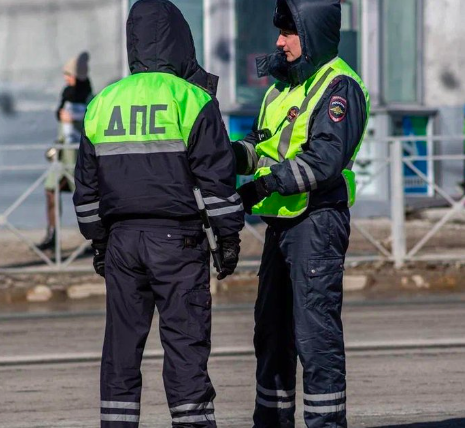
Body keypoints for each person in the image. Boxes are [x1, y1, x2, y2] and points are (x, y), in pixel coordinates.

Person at [73, 0, 244, 426]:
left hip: (121, 244)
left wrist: (98, 241)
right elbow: (216, 178)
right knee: (185, 345)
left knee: (121, 350)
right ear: (180, 40)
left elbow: (86, 187)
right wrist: (228, 238)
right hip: (177, 242)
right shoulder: (192, 99)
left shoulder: (103, 102)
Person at [231, 1, 370, 426]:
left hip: (317, 221)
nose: (278, 41)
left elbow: (324, 159)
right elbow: (264, 143)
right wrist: (229, 155)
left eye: (288, 33)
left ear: (311, 34)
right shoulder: (282, 86)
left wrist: (266, 184)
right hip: (281, 224)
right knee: (270, 333)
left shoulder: (338, 85)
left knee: (315, 337)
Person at [37, 53, 94, 251]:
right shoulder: (66, 93)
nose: (65, 78)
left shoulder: (88, 96)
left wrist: (75, 119)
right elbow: (60, 115)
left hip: (78, 155)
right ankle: (52, 234)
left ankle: (96, 238)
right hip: (62, 153)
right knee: (50, 189)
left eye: (68, 74)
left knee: (86, 195)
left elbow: (90, 118)